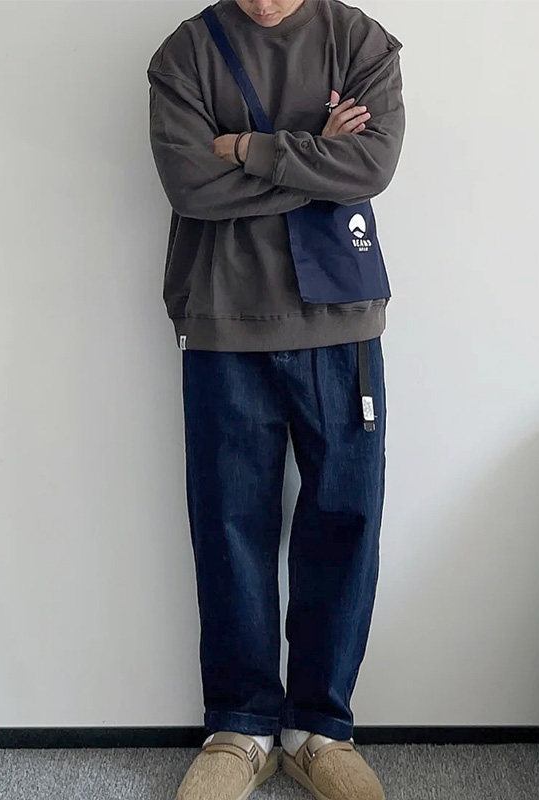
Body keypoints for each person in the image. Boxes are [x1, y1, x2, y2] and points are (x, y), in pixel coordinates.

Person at [147, 1, 405, 798]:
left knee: (345, 518)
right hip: (221, 317)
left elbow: (371, 167)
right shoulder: (186, 53)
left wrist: (250, 149)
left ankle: (319, 730)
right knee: (229, 524)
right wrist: (314, 154)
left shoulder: (358, 42)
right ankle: (241, 728)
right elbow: (190, 186)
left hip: (341, 319)